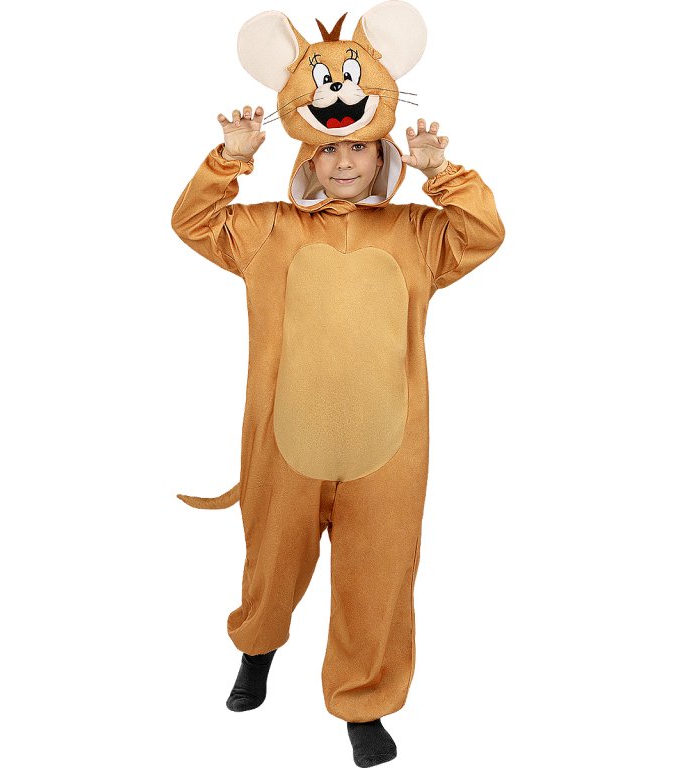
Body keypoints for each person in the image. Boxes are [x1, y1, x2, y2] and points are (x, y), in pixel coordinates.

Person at [172, 102, 504, 768]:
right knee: (273, 561)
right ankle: (258, 648)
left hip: (388, 448)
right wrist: (230, 159)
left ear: (384, 157)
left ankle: (363, 702)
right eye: (329, 149)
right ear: (307, 156)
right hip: (285, 441)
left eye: (360, 147)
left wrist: (443, 174)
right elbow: (194, 222)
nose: (344, 162)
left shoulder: (416, 232)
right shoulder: (271, 227)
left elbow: (483, 233)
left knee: (378, 576)